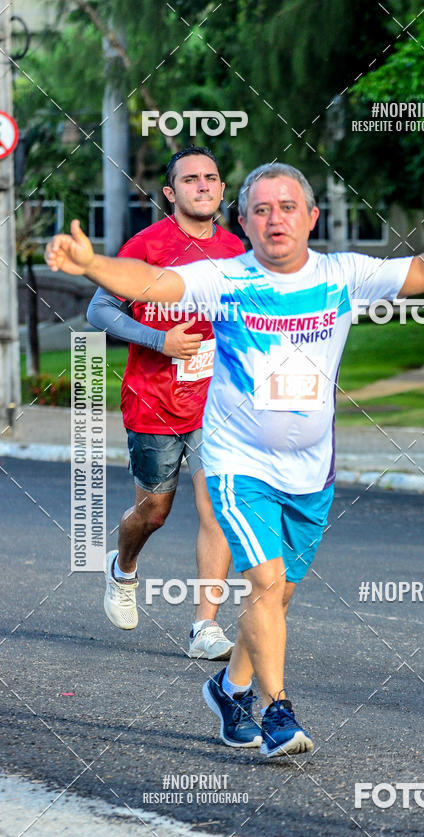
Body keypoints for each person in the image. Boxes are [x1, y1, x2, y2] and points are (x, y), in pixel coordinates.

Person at [46, 163, 424, 757]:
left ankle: (231, 689)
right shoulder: (224, 276)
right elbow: (154, 284)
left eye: (287, 207)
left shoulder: (342, 275)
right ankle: (277, 711)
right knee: (265, 581)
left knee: (277, 597)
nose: (274, 218)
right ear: (244, 221)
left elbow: (423, 270)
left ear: (311, 217)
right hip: (238, 461)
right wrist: (94, 266)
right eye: (260, 209)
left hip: (312, 471)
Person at [86, 146, 245, 660]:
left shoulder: (236, 251)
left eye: (212, 178)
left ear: (222, 190)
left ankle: (204, 628)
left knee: (217, 507)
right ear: (171, 194)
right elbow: (99, 308)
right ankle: (123, 567)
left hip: (214, 402)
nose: (203, 186)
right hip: (153, 402)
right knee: (153, 511)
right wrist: (159, 341)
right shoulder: (148, 246)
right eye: (191, 179)